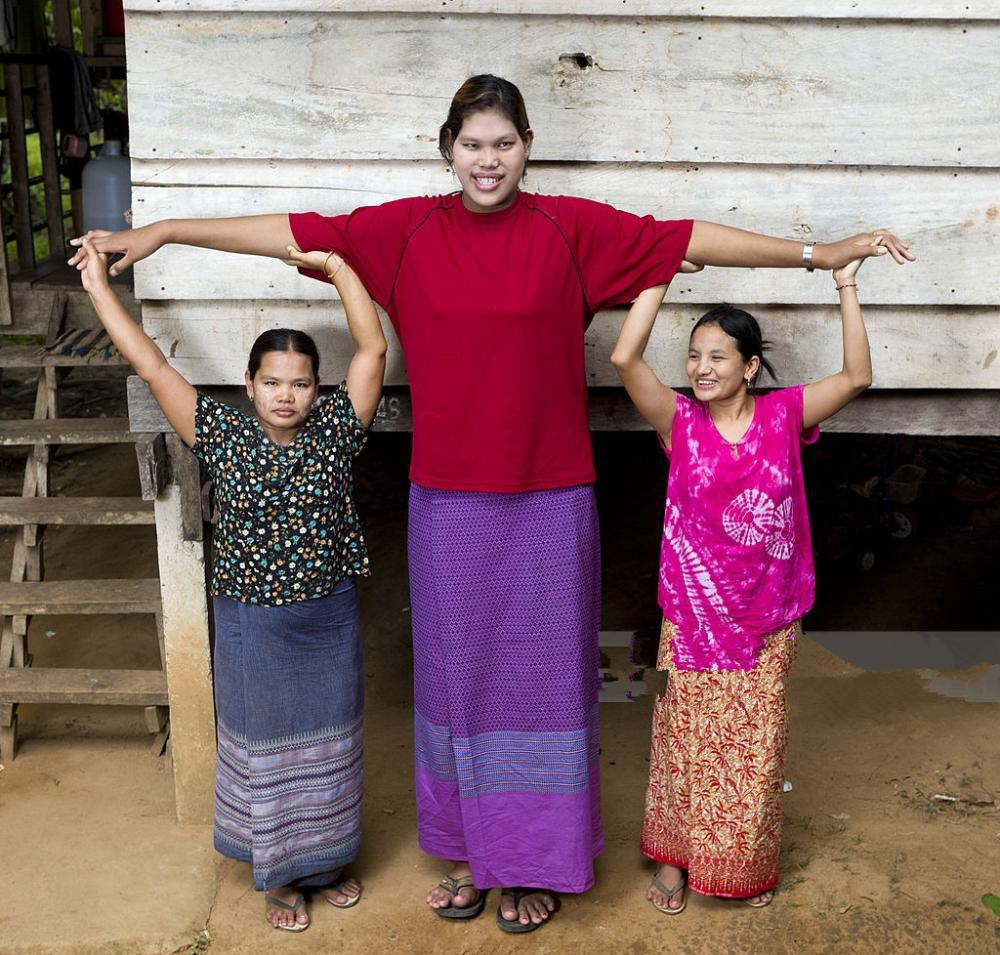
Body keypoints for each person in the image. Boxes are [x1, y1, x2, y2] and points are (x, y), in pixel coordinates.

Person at [68, 74, 913, 932]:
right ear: (448, 148)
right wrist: (166, 228)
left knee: (544, 685)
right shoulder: (403, 232)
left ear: (527, 145)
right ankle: (477, 854)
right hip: (447, 503)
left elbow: (689, 237)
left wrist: (818, 257)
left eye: (503, 143)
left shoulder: (570, 227)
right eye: (472, 144)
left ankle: (533, 863)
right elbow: (285, 230)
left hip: (551, 500)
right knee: (457, 682)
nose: (488, 160)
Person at [78, 238, 388, 932]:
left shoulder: (337, 430)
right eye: (272, 381)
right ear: (249, 385)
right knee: (269, 747)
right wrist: (101, 288)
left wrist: (339, 267)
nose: (286, 394)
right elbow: (152, 363)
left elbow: (371, 353)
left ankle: (326, 862)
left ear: (317, 389)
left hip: (326, 620)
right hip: (256, 629)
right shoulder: (221, 434)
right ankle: (280, 877)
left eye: (301, 381)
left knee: (331, 743)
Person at [611, 252, 875, 913]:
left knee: (754, 746)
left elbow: (858, 375)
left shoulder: (786, 415)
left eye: (718, 356)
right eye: (695, 355)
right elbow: (623, 360)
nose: (701, 367)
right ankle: (674, 859)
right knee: (686, 736)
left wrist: (844, 282)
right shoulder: (680, 423)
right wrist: (659, 272)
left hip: (769, 616)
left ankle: (740, 865)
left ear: (750, 365)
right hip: (696, 619)